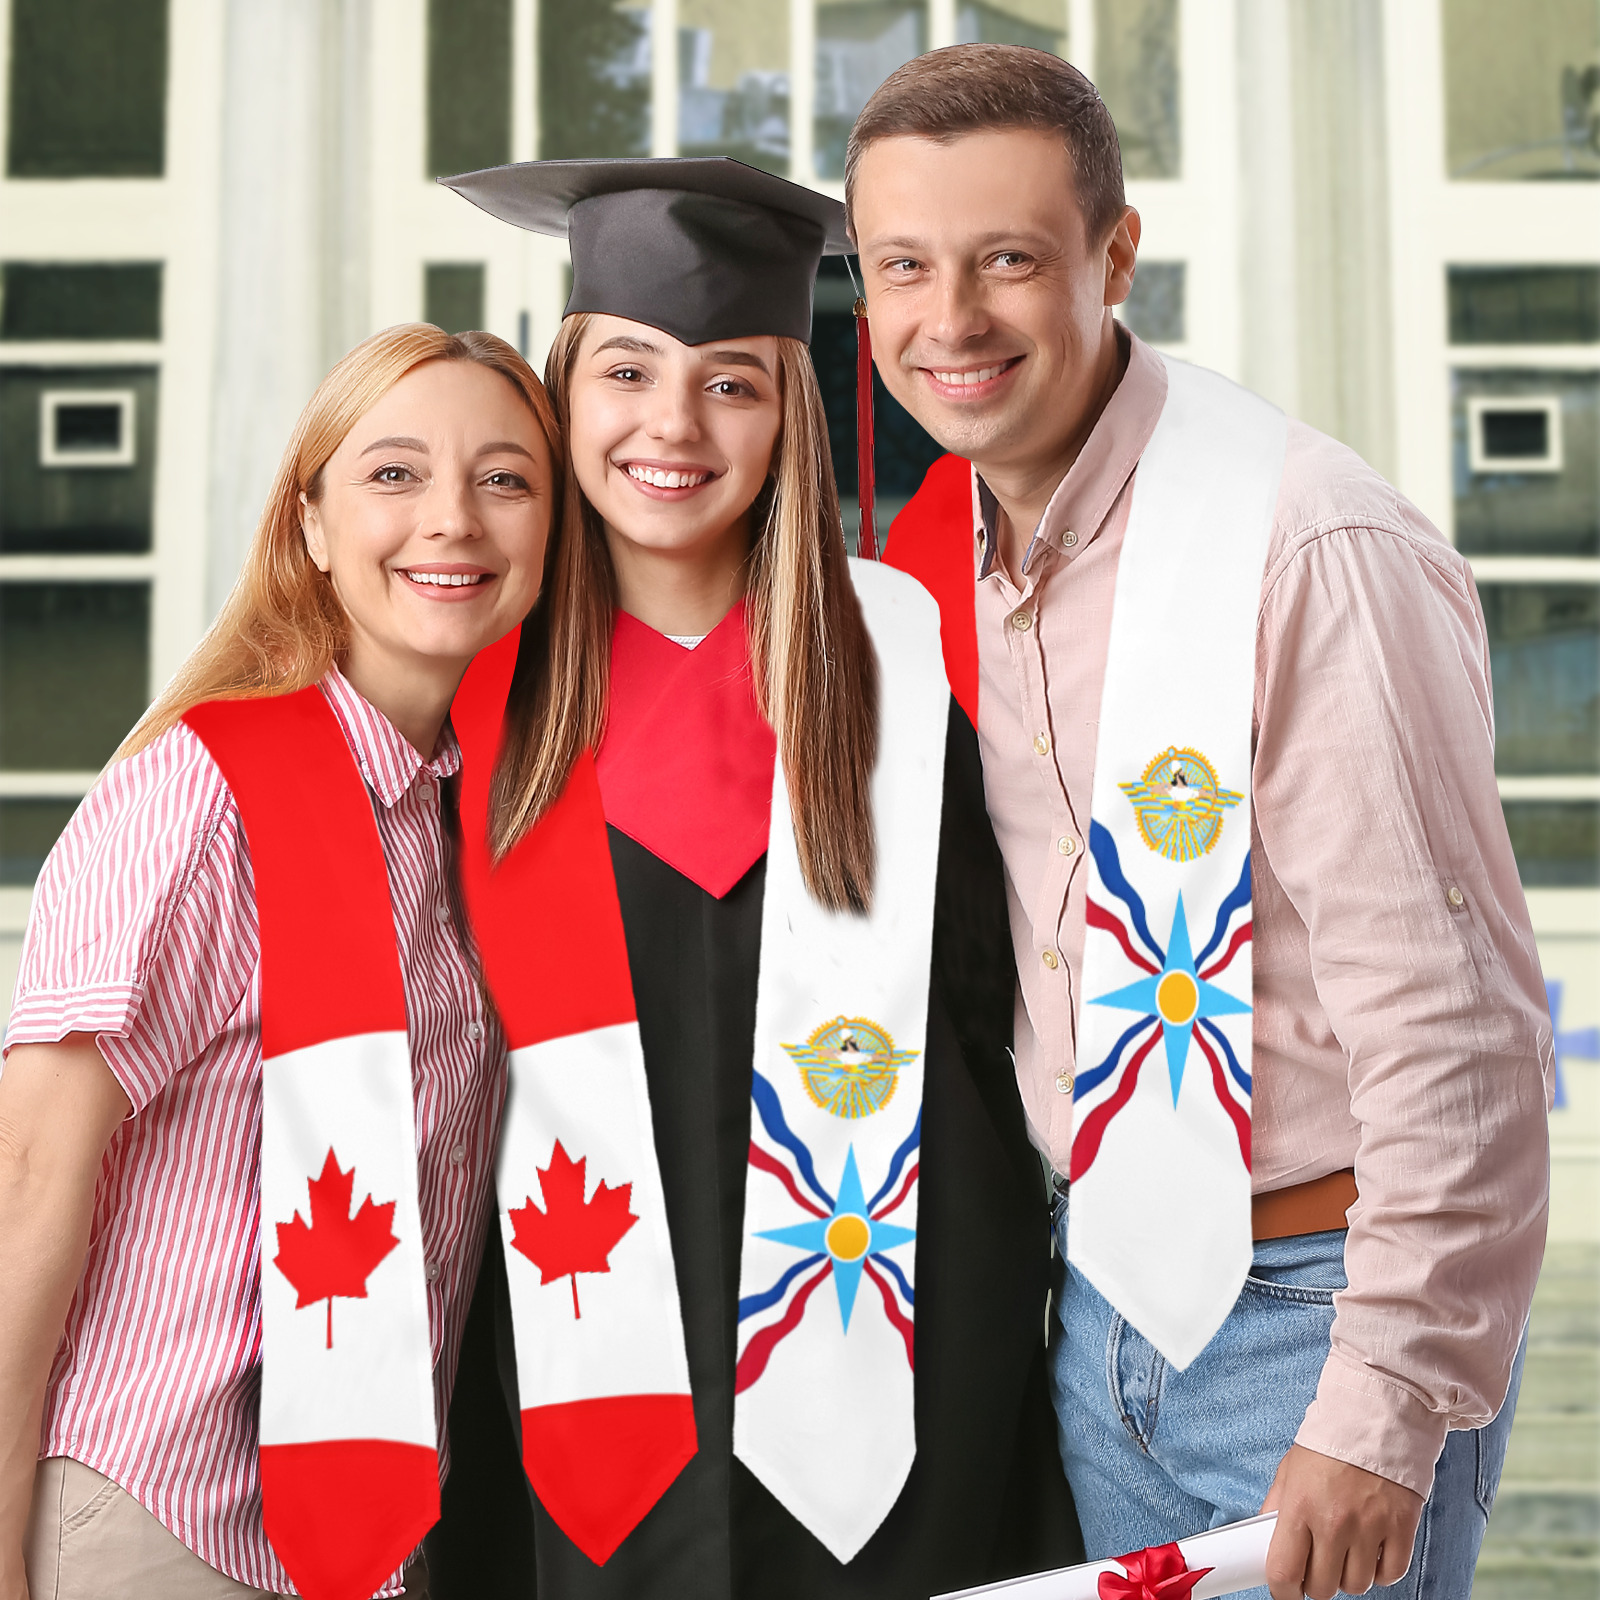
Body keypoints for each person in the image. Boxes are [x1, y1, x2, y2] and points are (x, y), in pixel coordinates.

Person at [848, 44, 1552, 1600]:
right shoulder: (946, 557)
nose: (948, 320)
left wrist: (1383, 1410)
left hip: (1313, 1319)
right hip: (1099, 1303)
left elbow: (1463, 1034)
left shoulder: (1305, 544)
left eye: (1009, 260)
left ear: (1114, 256)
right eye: (904, 265)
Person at [423, 157, 1079, 1599]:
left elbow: (997, 1006)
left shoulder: (907, 661)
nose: (673, 425)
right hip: (558, 1354)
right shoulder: (463, 690)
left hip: (896, 1353)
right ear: (560, 392)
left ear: (791, 414)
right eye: (629, 372)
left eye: (732, 382)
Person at [0, 326, 558, 1600]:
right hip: (158, 1517)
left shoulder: (462, 817)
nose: (452, 521)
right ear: (309, 524)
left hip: (359, 1539)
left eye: (505, 479)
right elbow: (28, 1167)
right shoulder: (200, 797)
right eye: (394, 474)